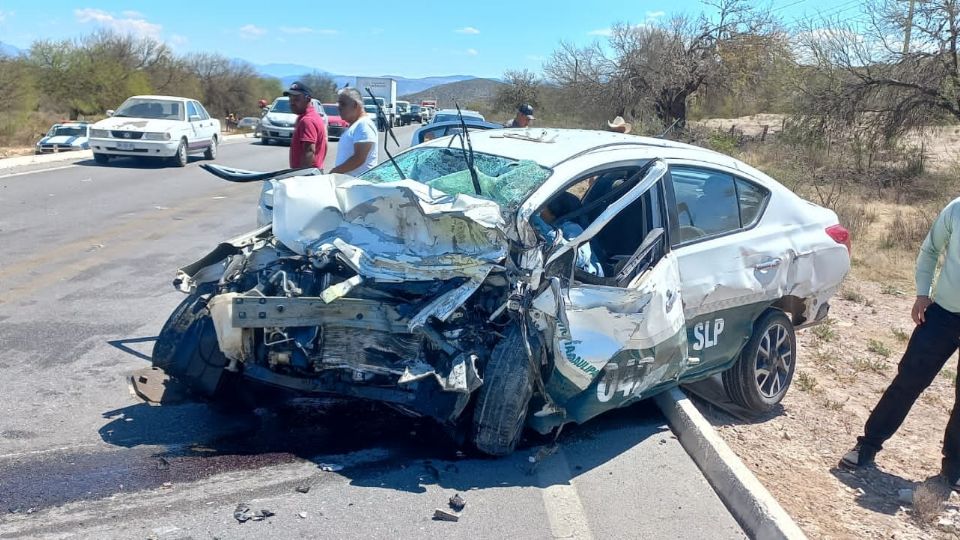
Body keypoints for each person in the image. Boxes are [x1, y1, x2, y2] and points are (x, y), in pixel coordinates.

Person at [840, 197, 960, 489]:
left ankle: (953, 472)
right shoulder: (956, 209)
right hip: (943, 314)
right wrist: (922, 293)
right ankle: (867, 445)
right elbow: (931, 249)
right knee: (908, 381)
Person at [531, 192, 604, 277]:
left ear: (554, 212)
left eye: (543, 208)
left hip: (588, 283)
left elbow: (579, 259)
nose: (540, 211)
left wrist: (542, 226)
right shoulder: (553, 226)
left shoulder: (572, 228)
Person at [330, 88, 379, 176]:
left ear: (355, 105)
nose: (339, 107)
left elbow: (359, 158)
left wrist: (334, 172)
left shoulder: (364, 125)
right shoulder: (356, 125)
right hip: (350, 183)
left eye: (343, 104)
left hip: (357, 185)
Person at [284, 81, 327, 170]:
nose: (292, 103)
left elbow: (309, 151)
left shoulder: (307, 120)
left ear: (307, 99)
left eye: (296, 99)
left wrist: (302, 177)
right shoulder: (311, 117)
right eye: (290, 99)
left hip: (307, 176)